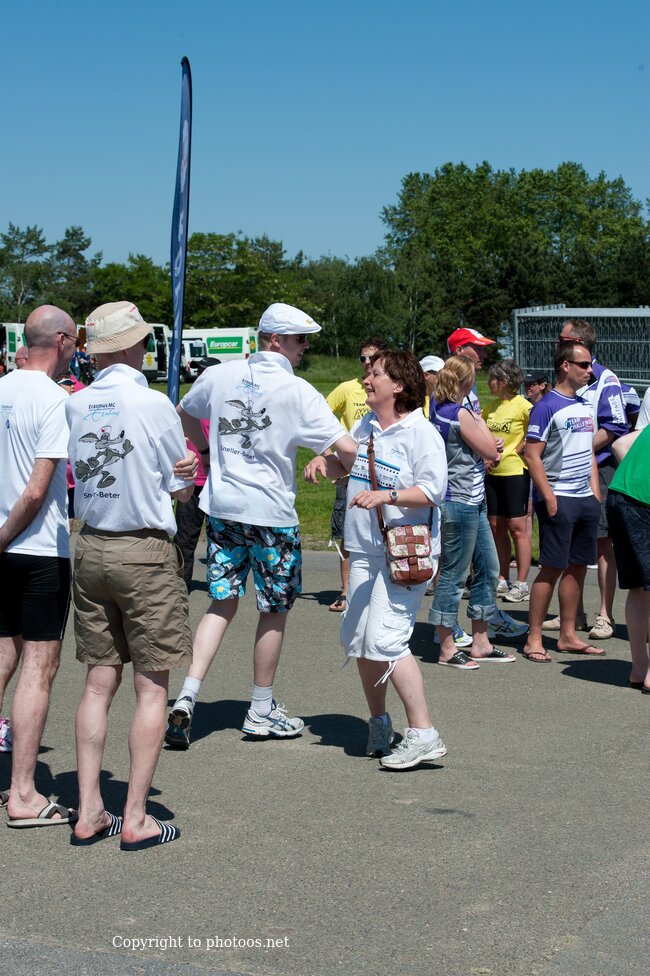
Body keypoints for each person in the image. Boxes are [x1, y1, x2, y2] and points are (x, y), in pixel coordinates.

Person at [166, 302, 357, 748]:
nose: (305, 347)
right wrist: (350, 469)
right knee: (273, 609)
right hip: (271, 514)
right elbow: (346, 448)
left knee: (221, 603)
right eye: (299, 339)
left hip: (224, 508)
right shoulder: (298, 391)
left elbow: (185, 412)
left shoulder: (219, 375)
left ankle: (187, 697)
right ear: (275, 340)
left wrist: (206, 453)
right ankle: (260, 708)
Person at [66, 301, 196, 849]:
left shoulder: (76, 403)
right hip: (142, 550)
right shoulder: (153, 402)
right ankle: (136, 816)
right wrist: (187, 472)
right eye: (142, 341)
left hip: (91, 545)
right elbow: (180, 487)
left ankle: (89, 809)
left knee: (99, 682)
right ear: (130, 346)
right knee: (151, 685)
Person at [305, 350, 449, 769]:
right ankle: (379, 723)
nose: (367, 380)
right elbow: (350, 463)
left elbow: (433, 490)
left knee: (386, 640)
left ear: (398, 385)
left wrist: (386, 495)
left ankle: (424, 733)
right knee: (359, 639)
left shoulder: (422, 433)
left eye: (376, 374)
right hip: (364, 551)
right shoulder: (366, 425)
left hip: (404, 553)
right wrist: (325, 462)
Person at [0, 305, 78, 825]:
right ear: (63, 341)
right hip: (36, 548)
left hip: (7, 549)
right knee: (39, 665)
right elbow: (35, 489)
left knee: (3, 654)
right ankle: (23, 793)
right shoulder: (55, 400)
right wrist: (5, 536)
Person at [428, 356, 516, 670]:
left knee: (489, 568)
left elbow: (485, 446)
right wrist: (483, 429)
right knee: (454, 574)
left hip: (474, 499)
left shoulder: (441, 408)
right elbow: (491, 451)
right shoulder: (457, 412)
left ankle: (481, 642)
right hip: (459, 500)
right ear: (466, 383)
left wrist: (485, 437)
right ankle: (447, 647)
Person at [446, 327, 528, 643]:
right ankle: (447, 630)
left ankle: (486, 621)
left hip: (476, 487)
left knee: (488, 566)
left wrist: (487, 445)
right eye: (477, 348)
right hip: (457, 491)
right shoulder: (447, 391)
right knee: (454, 569)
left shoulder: (470, 392)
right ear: (460, 351)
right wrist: (487, 448)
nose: (483, 354)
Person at [522, 342, 602, 662]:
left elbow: (588, 452)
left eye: (590, 365)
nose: (589, 370)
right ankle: (534, 638)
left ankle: (568, 634)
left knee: (578, 566)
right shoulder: (546, 406)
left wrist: (595, 494)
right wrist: (549, 496)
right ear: (565, 366)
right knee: (552, 567)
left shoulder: (585, 405)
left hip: (584, 498)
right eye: (583, 365)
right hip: (558, 496)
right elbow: (532, 455)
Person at [556, 319, 627, 642]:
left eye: (562, 339)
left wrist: (579, 448)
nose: (557, 343)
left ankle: (605, 615)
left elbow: (615, 426)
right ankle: (574, 614)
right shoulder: (565, 375)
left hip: (597, 468)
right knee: (570, 540)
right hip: (567, 472)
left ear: (579, 343)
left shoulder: (605, 378)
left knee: (601, 542)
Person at [325, 337, 387, 612]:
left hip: (382, 475)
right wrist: (329, 455)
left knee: (380, 532)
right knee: (348, 533)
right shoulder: (348, 389)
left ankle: (381, 590)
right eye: (363, 358)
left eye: (373, 357)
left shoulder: (389, 388)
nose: (367, 363)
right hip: (351, 473)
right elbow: (321, 419)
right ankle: (346, 590)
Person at [481, 360, 532, 603]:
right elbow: (481, 434)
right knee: (495, 526)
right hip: (492, 474)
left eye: (492, 378)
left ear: (503, 381)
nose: (489, 382)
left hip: (515, 472)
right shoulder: (490, 407)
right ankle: (502, 577)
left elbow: (535, 434)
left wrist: (515, 451)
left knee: (517, 527)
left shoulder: (523, 406)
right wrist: (486, 456)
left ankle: (522, 583)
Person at [606, 427, 650, 691]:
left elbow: (619, 444)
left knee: (639, 588)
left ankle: (639, 668)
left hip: (620, 495)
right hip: (642, 503)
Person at [420, 354, 445, 420]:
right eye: (441, 374)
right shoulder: (415, 401)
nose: (445, 377)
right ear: (426, 375)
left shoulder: (444, 398)